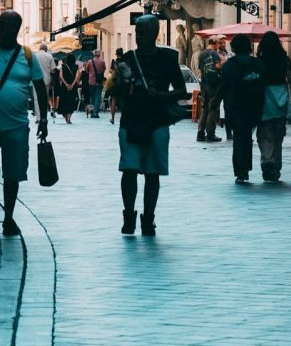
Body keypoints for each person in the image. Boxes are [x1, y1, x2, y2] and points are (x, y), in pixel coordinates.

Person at [0, 11, 48, 236]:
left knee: (13, 174)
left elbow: (40, 88)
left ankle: (9, 217)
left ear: (16, 29)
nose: (0, 27)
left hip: (17, 126)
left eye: (5, 24)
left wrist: (43, 120)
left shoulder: (28, 56)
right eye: (0, 23)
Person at [116, 14, 186, 236]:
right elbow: (115, 91)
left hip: (157, 121)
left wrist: (160, 95)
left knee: (151, 173)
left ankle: (148, 218)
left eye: (142, 32)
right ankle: (129, 217)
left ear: (154, 33)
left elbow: (181, 90)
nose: (138, 36)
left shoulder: (168, 58)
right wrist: (120, 83)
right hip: (132, 120)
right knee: (129, 169)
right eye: (136, 32)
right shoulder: (128, 58)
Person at [221, 34, 265, 185]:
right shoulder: (257, 64)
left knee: (239, 138)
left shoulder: (228, 65)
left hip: (235, 107)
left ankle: (241, 170)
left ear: (233, 48)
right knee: (247, 136)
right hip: (254, 106)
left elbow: (224, 88)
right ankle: (245, 167)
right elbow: (262, 85)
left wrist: (218, 106)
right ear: (249, 47)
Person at [256, 31, 291, 183]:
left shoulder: (260, 61)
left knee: (264, 135)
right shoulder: (284, 60)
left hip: (265, 100)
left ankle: (267, 159)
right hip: (281, 99)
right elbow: (290, 80)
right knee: (278, 136)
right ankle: (276, 166)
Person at [196, 37, 222, 143]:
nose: (219, 45)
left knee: (205, 108)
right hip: (213, 84)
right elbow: (218, 66)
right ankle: (210, 134)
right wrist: (223, 62)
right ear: (215, 43)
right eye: (218, 43)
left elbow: (199, 69)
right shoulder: (215, 54)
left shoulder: (201, 54)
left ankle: (200, 133)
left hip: (204, 84)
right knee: (213, 109)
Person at [33, 43, 56, 122]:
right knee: (44, 98)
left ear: (39, 49)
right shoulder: (49, 56)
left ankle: (38, 118)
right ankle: (44, 117)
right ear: (46, 49)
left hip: (36, 79)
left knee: (36, 98)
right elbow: (53, 69)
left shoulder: (34, 55)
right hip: (46, 79)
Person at [217, 36, 233, 140]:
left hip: (230, 84)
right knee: (225, 108)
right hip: (220, 82)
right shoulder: (215, 54)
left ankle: (230, 132)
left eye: (224, 43)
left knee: (229, 109)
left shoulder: (229, 54)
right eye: (220, 43)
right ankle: (227, 132)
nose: (223, 44)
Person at [58, 53, 80, 123]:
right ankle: (69, 118)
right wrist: (72, 85)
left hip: (64, 87)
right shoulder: (76, 67)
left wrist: (66, 84)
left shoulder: (63, 66)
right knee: (71, 101)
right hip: (73, 87)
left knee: (64, 101)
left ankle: (65, 116)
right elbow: (77, 77)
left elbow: (61, 76)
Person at [85, 49, 106, 118]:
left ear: (94, 54)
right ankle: (96, 113)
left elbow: (86, 70)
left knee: (92, 97)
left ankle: (92, 112)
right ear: (99, 55)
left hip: (91, 81)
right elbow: (104, 69)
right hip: (99, 82)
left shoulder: (90, 62)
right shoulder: (102, 61)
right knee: (98, 97)